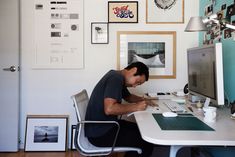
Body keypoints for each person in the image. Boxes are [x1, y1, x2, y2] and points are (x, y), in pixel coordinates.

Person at [85, 62, 154, 157]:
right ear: (134, 70)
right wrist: (136, 107)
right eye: (138, 82)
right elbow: (109, 109)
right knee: (146, 140)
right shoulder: (115, 79)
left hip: (102, 127)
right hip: (101, 133)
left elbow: (128, 97)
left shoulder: (116, 76)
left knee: (142, 130)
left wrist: (144, 100)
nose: (134, 86)